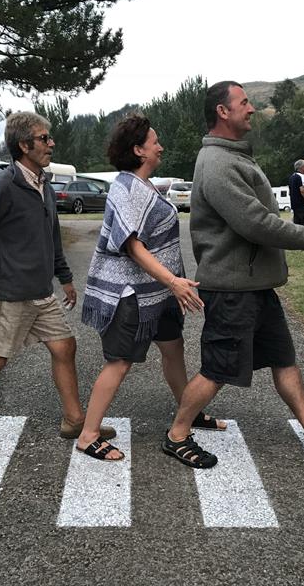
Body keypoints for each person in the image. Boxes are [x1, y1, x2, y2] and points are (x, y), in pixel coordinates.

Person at [163, 81, 304, 469]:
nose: (251, 109)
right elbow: (255, 223)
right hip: (233, 287)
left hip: (255, 284)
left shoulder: (234, 157)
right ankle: (178, 434)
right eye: (244, 102)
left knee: (282, 357)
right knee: (218, 368)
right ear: (223, 111)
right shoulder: (218, 163)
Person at [0, 111, 115, 457]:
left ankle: (74, 419)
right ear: (24, 145)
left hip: (41, 293)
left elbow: (51, 238)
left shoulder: (43, 184)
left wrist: (66, 278)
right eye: (44, 139)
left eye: (48, 138)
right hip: (8, 293)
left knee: (64, 346)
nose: (51, 143)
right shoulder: (3, 185)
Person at [77, 115, 223, 462]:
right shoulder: (125, 187)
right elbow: (132, 245)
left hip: (159, 293)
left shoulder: (144, 186)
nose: (160, 146)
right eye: (154, 141)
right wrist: (173, 281)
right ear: (139, 149)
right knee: (120, 363)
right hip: (130, 294)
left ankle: (189, 413)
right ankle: (88, 435)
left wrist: (171, 286)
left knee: (173, 350)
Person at [289, 159, 304, 226]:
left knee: (297, 225)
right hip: (302, 206)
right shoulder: (301, 176)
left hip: (294, 206)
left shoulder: (292, 177)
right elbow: (303, 190)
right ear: (301, 167)